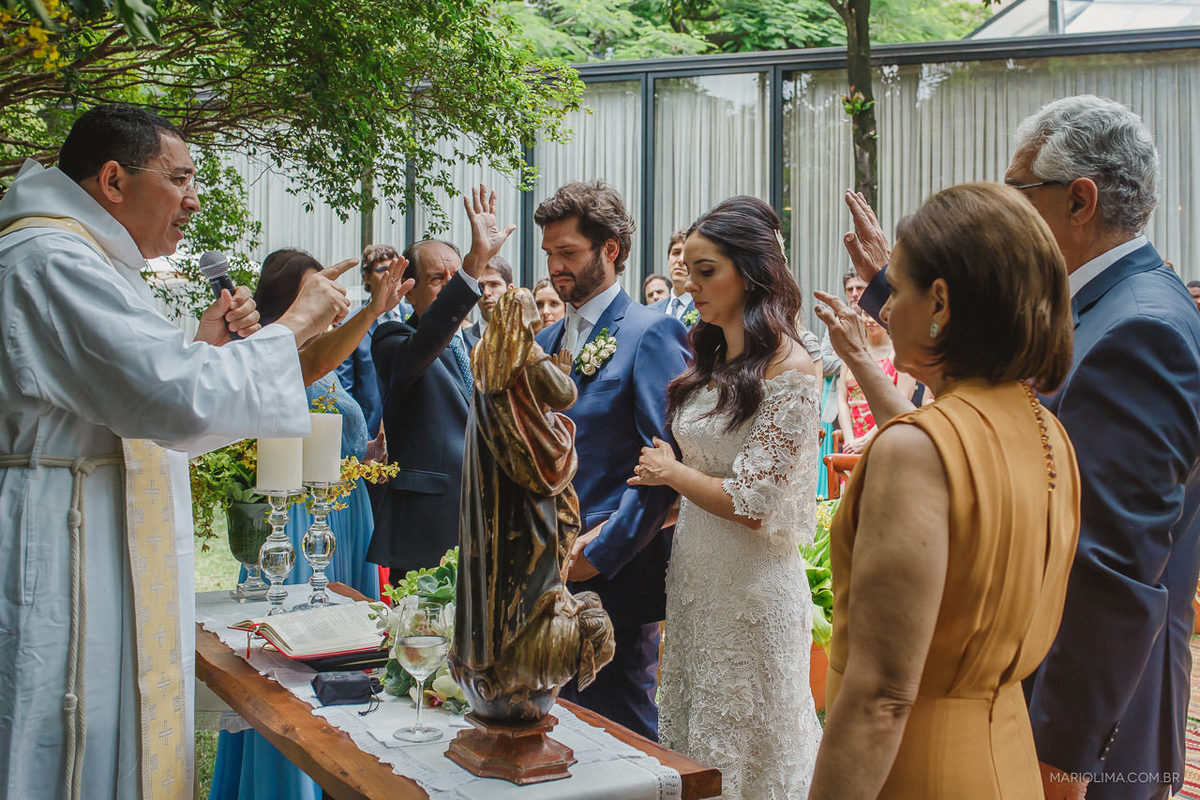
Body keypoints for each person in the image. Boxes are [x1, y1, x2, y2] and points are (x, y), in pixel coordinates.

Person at [832, 95, 1200, 800]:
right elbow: (981, 405)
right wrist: (894, 288)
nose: (1004, 211)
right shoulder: (1099, 307)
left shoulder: (1137, 331)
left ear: (1079, 201)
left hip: (1079, 722)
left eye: (1016, 190)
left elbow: (1111, 570)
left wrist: (1062, 757)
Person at [0, 103, 347, 798]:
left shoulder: (91, 260)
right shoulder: (48, 258)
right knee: (61, 733)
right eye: (180, 179)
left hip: (96, 528)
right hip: (60, 538)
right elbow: (174, 402)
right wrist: (295, 323)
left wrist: (203, 349)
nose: (193, 200)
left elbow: (154, 405)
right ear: (112, 179)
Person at [810, 182, 1081, 798]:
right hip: (1007, 756)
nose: (885, 311)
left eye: (897, 288)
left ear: (940, 302)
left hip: (914, 770)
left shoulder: (916, 449)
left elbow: (881, 698)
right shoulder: (1048, 429)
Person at [630, 196, 822, 798]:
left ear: (751, 271)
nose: (689, 283)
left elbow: (753, 503)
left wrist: (670, 472)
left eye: (706, 270)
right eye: (688, 269)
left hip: (752, 594)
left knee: (749, 751)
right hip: (697, 581)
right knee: (696, 737)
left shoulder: (792, 369)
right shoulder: (713, 355)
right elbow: (706, 470)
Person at [209, 249, 398, 800]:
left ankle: (351, 768)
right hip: (293, 519)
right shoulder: (269, 353)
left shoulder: (324, 354)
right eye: (317, 291)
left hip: (347, 514)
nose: (331, 302)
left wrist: (366, 453)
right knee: (295, 658)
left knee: (354, 654)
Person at [533, 180, 689, 740]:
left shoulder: (652, 332)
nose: (555, 266)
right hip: (541, 570)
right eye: (549, 253)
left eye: (568, 252)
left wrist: (598, 554)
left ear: (610, 250)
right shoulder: (544, 340)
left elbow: (662, 466)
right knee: (552, 726)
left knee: (620, 732)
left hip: (614, 575)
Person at [369, 186, 515, 581]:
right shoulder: (393, 340)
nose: (451, 287)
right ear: (409, 291)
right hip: (427, 526)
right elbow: (427, 342)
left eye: (457, 278)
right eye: (438, 279)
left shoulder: (476, 346)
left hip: (486, 518)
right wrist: (473, 263)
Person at [335, 243, 414, 440]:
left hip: (414, 429)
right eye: (383, 270)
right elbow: (345, 391)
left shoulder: (415, 316)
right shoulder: (350, 325)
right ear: (366, 277)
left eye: (396, 269)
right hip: (369, 433)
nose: (391, 276)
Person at [836, 315, 914, 454]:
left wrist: (867, 440)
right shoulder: (851, 351)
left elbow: (903, 402)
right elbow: (842, 399)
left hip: (888, 440)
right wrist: (850, 440)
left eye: (875, 315)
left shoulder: (902, 353)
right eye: (866, 314)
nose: (871, 320)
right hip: (853, 444)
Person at [649, 228, 696, 324]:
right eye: (676, 252)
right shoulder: (649, 311)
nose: (680, 260)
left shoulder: (707, 311)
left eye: (688, 253)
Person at [466, 254, 514, 339]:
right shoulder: (461, 341)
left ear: (510, 290)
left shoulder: (530, 338)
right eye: (480, 286)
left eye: (494, 284)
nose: (486, 292)